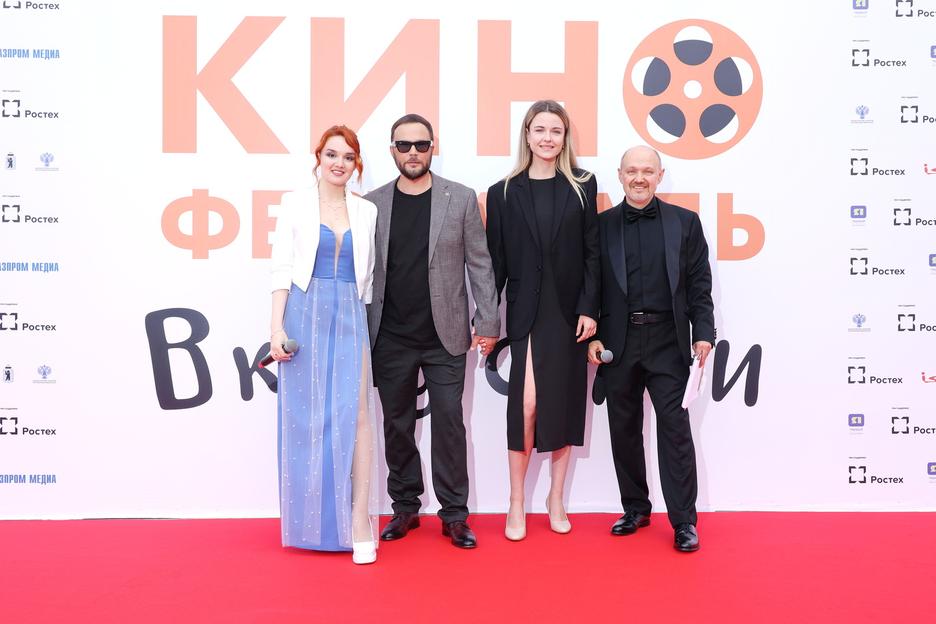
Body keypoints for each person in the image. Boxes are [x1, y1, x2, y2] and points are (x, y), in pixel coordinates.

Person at [365, 114, 500, 549]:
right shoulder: (371, 204)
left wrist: (488, 321)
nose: (413, 153)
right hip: (390, 336)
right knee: (396, 426)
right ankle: (404, 507)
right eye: (403, 145)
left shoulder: (459, 198)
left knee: (449, 425)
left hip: (446, 335)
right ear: (392, 150)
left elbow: (479, 263)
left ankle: (454, 515)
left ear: (432, 148)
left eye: (420, 145)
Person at [587, 145, 715, 553]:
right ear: (620, 175)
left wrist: (703, 332)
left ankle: (684, 521)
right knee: (623, 430)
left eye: (647, 171)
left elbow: (699, 284)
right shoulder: (601, 225)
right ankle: (635, 508)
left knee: (675, 431)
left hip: (667, 342)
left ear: (660, 175)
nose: (639, 178)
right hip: (618, 343)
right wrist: (593, 335)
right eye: (631, 171)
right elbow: (590, 284)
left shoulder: (685, 223)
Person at [485, 100, 600, 541]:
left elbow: (592, 254)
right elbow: (495, 263)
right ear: (527, 135)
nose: (548, 138)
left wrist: (589, 308)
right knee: (527, 406)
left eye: (556, 130)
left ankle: (556, 498)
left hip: (569, 315)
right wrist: (487, 320)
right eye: (540, 130)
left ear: (564, 137)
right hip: (526, 313)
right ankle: (516, 501)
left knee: (562, 405)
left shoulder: (583, 185)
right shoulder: (503, 191)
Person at [269, 125, 379, 564]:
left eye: (348, 157)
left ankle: (359, 520)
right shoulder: (294, 203)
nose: (339, 163)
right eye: (332, 154)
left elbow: (368, 279)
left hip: (350, 312)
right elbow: (281, 269)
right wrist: (275, 329)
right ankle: (310, 520)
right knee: (308, 417)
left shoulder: (367, 210)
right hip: (304, 310)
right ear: (318, 157)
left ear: (357, 165)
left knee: (358, 415)